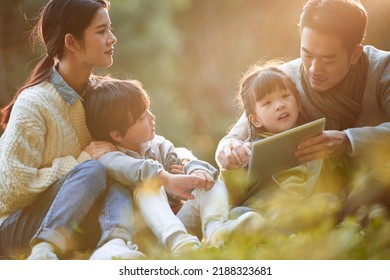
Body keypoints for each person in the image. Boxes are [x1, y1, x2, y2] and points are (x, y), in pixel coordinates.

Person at [216, 0, 390, 221]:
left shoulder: (383, 69)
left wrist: (349, 139)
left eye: (328, 59)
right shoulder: (285, 81)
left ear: (355, 54)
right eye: (307, 55)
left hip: (368, 191)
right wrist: (226, 149)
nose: (314, 70)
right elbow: (236, 136)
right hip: (313, 200)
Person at [0, 0, 146, 260]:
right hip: (14, 230)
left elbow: (128, 144)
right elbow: (11, 190)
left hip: (77, 221)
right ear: (72, 43)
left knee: (117, 173)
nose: (112, 38)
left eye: (110, 29)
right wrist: (80, 162)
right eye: (101, 31)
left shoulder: (102, 96)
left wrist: (170, 166)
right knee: (94, 169)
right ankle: (42, 252)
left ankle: (114, 245)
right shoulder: (34, 103)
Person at [83, 76, 265, 255]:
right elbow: (135, 169)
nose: (152, 118)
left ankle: (217, 232)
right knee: (147, 186)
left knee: (209, 181)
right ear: (117, 135)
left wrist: (195, 170)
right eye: (141, 118)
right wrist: (166, 178)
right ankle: (181, 245)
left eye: (148, 110)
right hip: (153, 236)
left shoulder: (156, 144)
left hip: (180, 221)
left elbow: (179, 160)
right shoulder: (107, 156)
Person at [220, 62, 342, 232]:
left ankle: (284, 234)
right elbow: (234, 195)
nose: (280, 105)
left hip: (302, 211)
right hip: (264, 214)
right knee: (239, 213)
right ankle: (277, 233)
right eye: (267, 103)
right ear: (255, 120)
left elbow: (332, 181)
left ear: (298, 104)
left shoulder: (314, 138)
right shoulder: (249, 149)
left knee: (330, 201)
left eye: (285, 96)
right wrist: (232, 168)